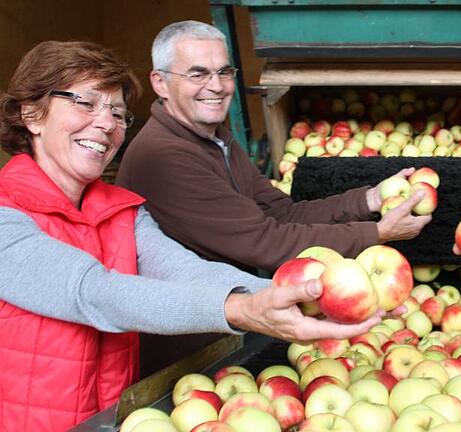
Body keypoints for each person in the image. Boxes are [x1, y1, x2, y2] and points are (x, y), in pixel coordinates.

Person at [0, 40, 384, 432]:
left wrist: (300, 299)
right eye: (86, 103)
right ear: (32, 113)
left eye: (117, 112)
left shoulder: (122, 211)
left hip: (109, 421)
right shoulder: (4, 216)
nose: (106, 122)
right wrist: (242, 311)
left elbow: (185, 271)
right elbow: (95, 292)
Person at [116, 20, 430, 275]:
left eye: (224, 72)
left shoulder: (215, 138)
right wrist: (376, 234)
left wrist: (369, 200)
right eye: (198, 74)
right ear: (160, 83)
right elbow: (265, 243)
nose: (216, 86)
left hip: (232, 314)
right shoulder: (163, 157)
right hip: (193, 339)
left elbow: (282, 212)